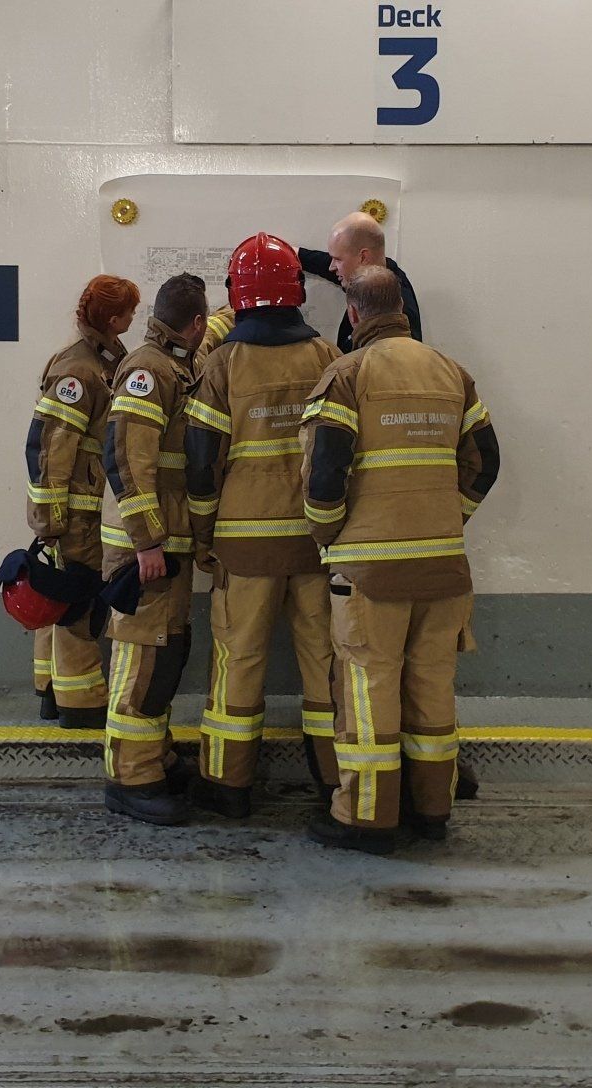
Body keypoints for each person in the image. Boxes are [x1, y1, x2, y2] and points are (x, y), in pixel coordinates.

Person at [298, 265, 500, 854]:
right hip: (443, 568)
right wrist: (449, 517)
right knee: (433, 687)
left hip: (369, 574)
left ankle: (365, 817)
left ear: (354, 314)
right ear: (402, 308)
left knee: (368, 686)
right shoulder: (452, 373)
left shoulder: (345, 376)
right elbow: (485, 462)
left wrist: (328, 536)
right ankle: (431, 808)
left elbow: (323, 476)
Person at [184, 233, 341, 816]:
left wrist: (204, 539)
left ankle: (228, 786)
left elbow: (202, 463)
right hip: (313, 544)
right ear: (296, 291)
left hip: (243, 549)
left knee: (238, 661)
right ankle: (336, 782)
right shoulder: (326, 356)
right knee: (325, 664)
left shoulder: (223, 364)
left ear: (236, 295)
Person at [99, 272, 209, 825]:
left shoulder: (175, 363)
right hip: (147, 551)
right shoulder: (148, 370)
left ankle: (155, 757)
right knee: (142, 658)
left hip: (168, 547)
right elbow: (126, 457)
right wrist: (146, 542)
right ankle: (130, 776)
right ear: (194, 324)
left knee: (165, 654)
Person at [23, 273, 139, 728]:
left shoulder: (102, 359)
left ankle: (52, 690)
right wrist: (50, 517)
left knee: (61, 593)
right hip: (76, 510)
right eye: (130, 310)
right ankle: (80, 701)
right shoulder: (79, 370)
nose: (134, 317)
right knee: (77, 601)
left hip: (83, 506)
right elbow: (52, 447)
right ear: (114, 318)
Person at [299, 211, 422, 354]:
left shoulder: (400, 312)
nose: (331, 267)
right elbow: (324, 263)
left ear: (363, 257)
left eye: (338, 259)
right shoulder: (376, 275)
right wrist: (293, 253)